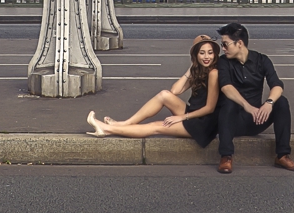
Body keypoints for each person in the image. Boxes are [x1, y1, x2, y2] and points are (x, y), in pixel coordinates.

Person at [85, 34, 222, 144]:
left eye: (210, 53)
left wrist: (182, 117)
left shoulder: (213, 73)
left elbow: (210, 108)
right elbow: (175, 91)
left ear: (215, 54)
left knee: (157, 126)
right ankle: (125, 124)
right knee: (164, 95)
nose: (206, 57)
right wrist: (191, 68)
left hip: (204, 124)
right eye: (202, 53)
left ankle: (107, 129)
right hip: (195, 114)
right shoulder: (199, 70)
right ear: (196, 56)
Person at [212, 21, 294, 173]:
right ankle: (226, 157)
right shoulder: (224, 62)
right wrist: (248, 107)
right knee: (229, 103)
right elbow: (226, 87)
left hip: (256, 119)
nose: (223, 48)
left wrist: (268, 103)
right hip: (232, 121)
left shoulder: (262, 60)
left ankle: (282, 155)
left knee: (281, 102)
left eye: (226, 44)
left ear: (239, 43)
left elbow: (277, 85)